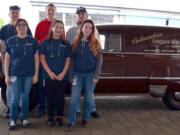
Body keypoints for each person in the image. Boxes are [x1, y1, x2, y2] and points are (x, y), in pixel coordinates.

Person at [67, 19, 103, 131]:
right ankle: (71, 120)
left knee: (88, 98)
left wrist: (96, 76)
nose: (88, 29)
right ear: (81, 28)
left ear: (93, 31)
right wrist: (70, 75)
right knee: (74, 98)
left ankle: (86, 118)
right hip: (77, 75)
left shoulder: (96, 43)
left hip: (90, 75)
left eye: (90, 28)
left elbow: (99, 62)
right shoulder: (75, 43)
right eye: (86, 27)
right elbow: (72, 61)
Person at [4, 18, 39, 130]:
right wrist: (7, 75)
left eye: (24, 25)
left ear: (27, 27)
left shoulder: (32, 41)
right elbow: (7, 59)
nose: (21, 27)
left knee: (25, 97)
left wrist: (36, 74)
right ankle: (13, 120)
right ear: (16, 28)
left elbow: (36, 59)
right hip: (14, 74)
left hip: (28, 74)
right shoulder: (10, 41)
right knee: (14, 98)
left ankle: (24, 118)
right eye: (19, 25)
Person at [0, 5, 32, 119]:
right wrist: (4, 64)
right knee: (9, 87)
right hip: (8, 64)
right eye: (12, 12)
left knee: (22, 88)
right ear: (9, 14)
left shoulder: (25, 28)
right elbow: (2, 48)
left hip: (23, 65)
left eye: (16, 12)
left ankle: (19, 109)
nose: (14, 14)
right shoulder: (4, 29)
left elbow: (30, 48)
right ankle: (10, 108)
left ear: (19, 14)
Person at [34, 3, 65, 117]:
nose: (50, 12)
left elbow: (63, 43)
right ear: (45, 12)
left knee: (56, 86)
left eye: (52, 10)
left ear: (55, 12)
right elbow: (36, 43)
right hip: (43, 62)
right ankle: (42, 108)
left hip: (56, 62)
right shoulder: (40, 25)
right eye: (49, 10)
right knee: (42, 87)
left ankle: (56, 109)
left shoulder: (59, 25)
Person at [39, 20, 72, 127]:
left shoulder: (66, 44)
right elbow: (42, 59)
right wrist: (50, 73)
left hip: (62, 76)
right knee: (49, 97)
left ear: (63, 30)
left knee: (60, 97)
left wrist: (63, 73)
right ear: (52, 28)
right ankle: (50, 117)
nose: (58, 29)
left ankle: (59, 117)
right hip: (48, 76)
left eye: (61, 28)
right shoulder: (45, 42)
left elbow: (68, 60)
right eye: (56, 27)